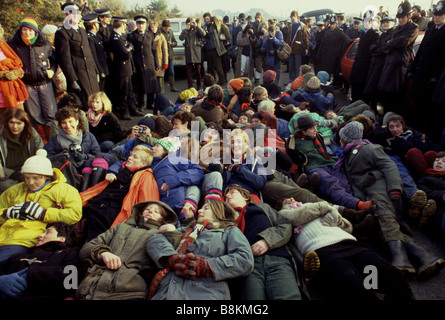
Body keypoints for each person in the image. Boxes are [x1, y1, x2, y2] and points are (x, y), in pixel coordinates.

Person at [338, 121, 445, 279]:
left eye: (341, 138)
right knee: (389, 225)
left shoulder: (368, 148)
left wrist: (395, 188)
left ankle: (401, 260)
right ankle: (425, 256)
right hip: (369, 196)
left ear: (346, 139)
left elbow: (389, 166)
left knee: (386, 220)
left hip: (380, 190)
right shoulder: (348, 156)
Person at [278, 197, 414, 300]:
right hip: (324, 250)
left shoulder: (312, 207)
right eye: (286, 201)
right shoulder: (283, 215)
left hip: (350, 244)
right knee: (358, 290)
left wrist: (334, 216)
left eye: (292, 198)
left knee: (394, 277)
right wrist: (327, 208)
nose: (291, 199)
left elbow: (345, 226)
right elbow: (297, 216)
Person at [146, 198, 254, 300]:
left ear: (218, 212)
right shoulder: (185, 230)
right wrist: (171, 258)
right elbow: (155, 239)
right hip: (167, 291)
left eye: (206, 208)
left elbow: (245, 259)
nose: (200, 211)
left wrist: (207, 266)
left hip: (207, 293)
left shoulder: (229, 230)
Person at [77, 200, 178, 300]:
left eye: (157, 212)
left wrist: (172, 232)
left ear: (163, 219)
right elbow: (86, 249)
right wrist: (102, 253)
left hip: (130, 293)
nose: (150, 211)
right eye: (148, 209)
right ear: (141, 212)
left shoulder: (159, 234)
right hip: (91, 287)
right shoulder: (120, 227)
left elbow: (173, 255)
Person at [0, 149, 82, 264]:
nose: (30, 182)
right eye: (27, 177)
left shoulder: (64, 190)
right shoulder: (14, 190)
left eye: (35, 178)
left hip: (26, 241)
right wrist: (7, 213)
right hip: (3, 236)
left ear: (46, 177)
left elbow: (74, 215)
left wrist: (42, 213)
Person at [223, 185, 301, 300]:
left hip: (277, 259)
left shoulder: (263, 207)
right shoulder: (226, 221)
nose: (228, 196)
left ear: (245, 197)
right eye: (225, 197)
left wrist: (267, 241)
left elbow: (285, 225)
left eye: (232, 193)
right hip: (248, 268)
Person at [80, 145, 159, 240]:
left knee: (91, 244)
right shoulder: (122, 170)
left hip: (108, 217)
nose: (129, 158)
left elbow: (148, 202)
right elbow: (96, 190)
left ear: (144, 163)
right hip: (95, 209)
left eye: (135, 157)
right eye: (130, 155)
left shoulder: (146, 176)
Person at [8, 17, 58, 144]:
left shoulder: (45, 45)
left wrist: (52, 69)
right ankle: (42, 141)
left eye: (30, 30)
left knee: (51, 113)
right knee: (35, 115)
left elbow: (54, 60)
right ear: (20, 31)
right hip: (27, 85)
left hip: (44, 84)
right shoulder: (14, 45)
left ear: (35, 32)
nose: (27, 33)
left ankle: (54, 139)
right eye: (24, 30)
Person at [0, 222, 80, 300]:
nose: (40, 235)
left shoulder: (70, 253)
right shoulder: (19, 256)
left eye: (47, 233)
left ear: (62, 238)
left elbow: (71, 279)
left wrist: (28, 276)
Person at [408, 1, 445, 141]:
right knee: (416, 105)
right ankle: (415, 133)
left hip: (432, 78)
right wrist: (412, 68)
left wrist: (435, 76)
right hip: (420, 74)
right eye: (436, 15)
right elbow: (421, 50)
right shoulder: (430, 30)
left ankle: (424, 136)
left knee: (427, 110)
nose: (437, 17)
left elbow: (443, 59)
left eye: (441, 15)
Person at [377, 0, 419, 118]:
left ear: (409, 16)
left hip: (398, 68)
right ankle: (385, 120)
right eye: (399, 17)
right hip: (388, 65)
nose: (400, 20)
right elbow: (384, 45)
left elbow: (404, 42)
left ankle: (392, 122)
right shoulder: (396, 29)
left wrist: (391, 43)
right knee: (385, 98)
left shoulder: (413, 28)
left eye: (403, 17)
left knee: (394, 100)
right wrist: (392, 43)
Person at [54, 2, 99, 109]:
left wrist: (96, 70)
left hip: (90, 73)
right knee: (85, 105)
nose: (76, 15)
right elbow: (65, 60)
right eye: (72, 13)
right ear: (66, 15)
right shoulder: (62, 33)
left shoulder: (82, 31)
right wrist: (73, 80)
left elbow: (89, 53)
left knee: (96, 102)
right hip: (79, 76)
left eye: (77, 13)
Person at [0, 109, 44, 193]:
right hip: (7, 175)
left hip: (29, 172)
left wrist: (31, 173)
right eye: (11, 122)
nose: (15, 126)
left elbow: (41, 153)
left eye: (19, 123)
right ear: (7, 123)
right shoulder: (1, 136)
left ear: (25, 124)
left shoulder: (32, 134)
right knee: (6, 187)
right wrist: (13, 174)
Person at [108, 16, 144, 120]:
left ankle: (132, 109)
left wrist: (128, 48)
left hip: (126, 69)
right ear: (121, 25)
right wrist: (129, 49)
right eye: (125, 25)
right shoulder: (115, 38)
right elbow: (126, 54)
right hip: (121, 69)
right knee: (123, 92)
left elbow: (129, 46)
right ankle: (124, 112)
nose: (125, 28)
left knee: (130, 91)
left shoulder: (120, 37)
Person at [349, 8, 380, 104]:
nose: (367, 23)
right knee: (355, 88)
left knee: (362, 91)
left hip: (365, 66)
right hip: (358, 64)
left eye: (369, 21)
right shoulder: (362, 33)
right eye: (365, 21)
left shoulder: (375, 34)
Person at [0, 22, 28, 114]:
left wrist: (17, 73)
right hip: (1, 100)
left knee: (19, 123)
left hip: (15, 95)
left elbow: (18, 65)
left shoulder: (4, 47)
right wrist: (3, 74)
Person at [417, 151, 445, 239]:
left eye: (444, 161)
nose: (439, 162)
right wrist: (443, 195)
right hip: (438, 212)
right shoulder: (427, 178)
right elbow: (424, 192)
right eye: (437, 160)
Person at [82, 13, 109, 92]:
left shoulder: (96, 36)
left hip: (103, 67)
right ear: (93, 25)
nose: (98, 25)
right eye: (97, 23)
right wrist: (100, 71)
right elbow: (94, 56)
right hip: (99, 69)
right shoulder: (90, 38)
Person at [180, 17, 206, 90]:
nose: (190, 25)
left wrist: (197, 26)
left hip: (196, 52)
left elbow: (203, 34)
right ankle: (190, 87)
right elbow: (181, 38)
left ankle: (199, 86)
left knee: (198, 71)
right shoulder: (185, 31)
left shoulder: (196, 30)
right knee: (189, 72)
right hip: (189, 53)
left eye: (191, 23)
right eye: (188, 23)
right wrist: (186, 30)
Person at [286, 11, 309, 83]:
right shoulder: (290, 26)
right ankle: (291, 80)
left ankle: (297, 81)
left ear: (297, 17)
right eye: (291, 16)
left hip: (298, 48)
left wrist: (306, 47)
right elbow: (288, 37)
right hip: (290, 49)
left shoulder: (302, 26)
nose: (293, 18)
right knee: (291, 65)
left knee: (297, 66)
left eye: (294, 16)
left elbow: (305, 37)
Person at [161, 19, 179, 92]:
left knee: (171, 71)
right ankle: (161, 89)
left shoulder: (170, 32)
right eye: (165, 28)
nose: (167, 29)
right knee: (162, 72)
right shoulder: (159, 32)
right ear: (162, 27)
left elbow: (175, 42)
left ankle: (173, 87)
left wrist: (172, 44)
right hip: (162, 56)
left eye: (168, 27)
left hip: (170, 55)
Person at [151, 21, 168, 94]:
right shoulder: (148, 36)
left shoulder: (161, 36)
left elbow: (165, 50)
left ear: (157, 27)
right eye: (152, 27)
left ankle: (161, 98)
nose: (153, 29)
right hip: (151, 62)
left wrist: (165, 62)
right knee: (151, 83)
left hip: (160, 62)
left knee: (160, 83)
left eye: (155, 27)